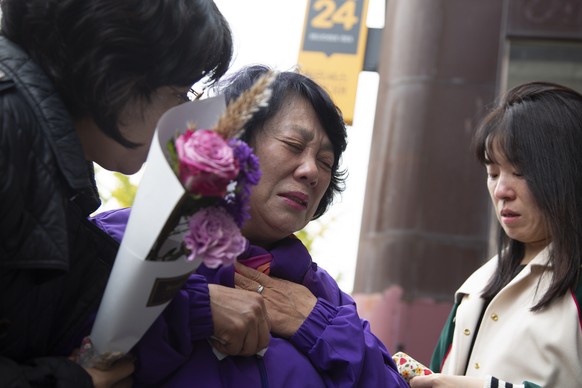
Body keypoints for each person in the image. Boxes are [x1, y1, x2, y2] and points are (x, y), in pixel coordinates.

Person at [92, 65, 409, 387]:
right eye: (293, 145)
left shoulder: (326, 299)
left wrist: (315, 324)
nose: (311, 171)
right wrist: (197, 310)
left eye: (326, 162)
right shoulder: (121, 239)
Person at [0, 0, 232, 387]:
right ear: (116, 70)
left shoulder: (47, 160)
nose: (184, 121)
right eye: (178, 92)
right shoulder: (9, 127)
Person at [410, 81, 582, 388]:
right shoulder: (474, 286)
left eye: (520, 172)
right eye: (492, 173)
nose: (501, 190)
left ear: (566, 173)